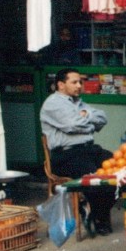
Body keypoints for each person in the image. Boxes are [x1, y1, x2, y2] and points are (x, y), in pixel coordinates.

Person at [40, 68, 115, 235]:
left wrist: (84, 115)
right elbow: (71, 125)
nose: (79, 85)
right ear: (61, 85)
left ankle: (94, 212)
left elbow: (103, 118)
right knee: (94, 177)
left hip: (88, 149)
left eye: (80, 82)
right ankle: (99, 218)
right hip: (65, 155)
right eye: (74, 82)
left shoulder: (79, 103)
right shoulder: (52, 103)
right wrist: (90, 124)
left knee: (118, 168)